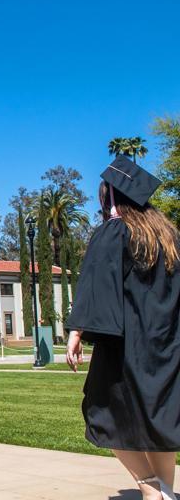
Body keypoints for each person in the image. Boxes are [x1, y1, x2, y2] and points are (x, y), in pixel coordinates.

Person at [66, 155, 180, 500]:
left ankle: (148, 487)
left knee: (100, 411)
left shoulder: (115, 231)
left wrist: (77, 331)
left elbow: (97, 283)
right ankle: (168, 493)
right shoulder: (170, 237)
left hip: (127, 345)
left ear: (110, 198)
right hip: (167, 344)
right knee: (157, 419)